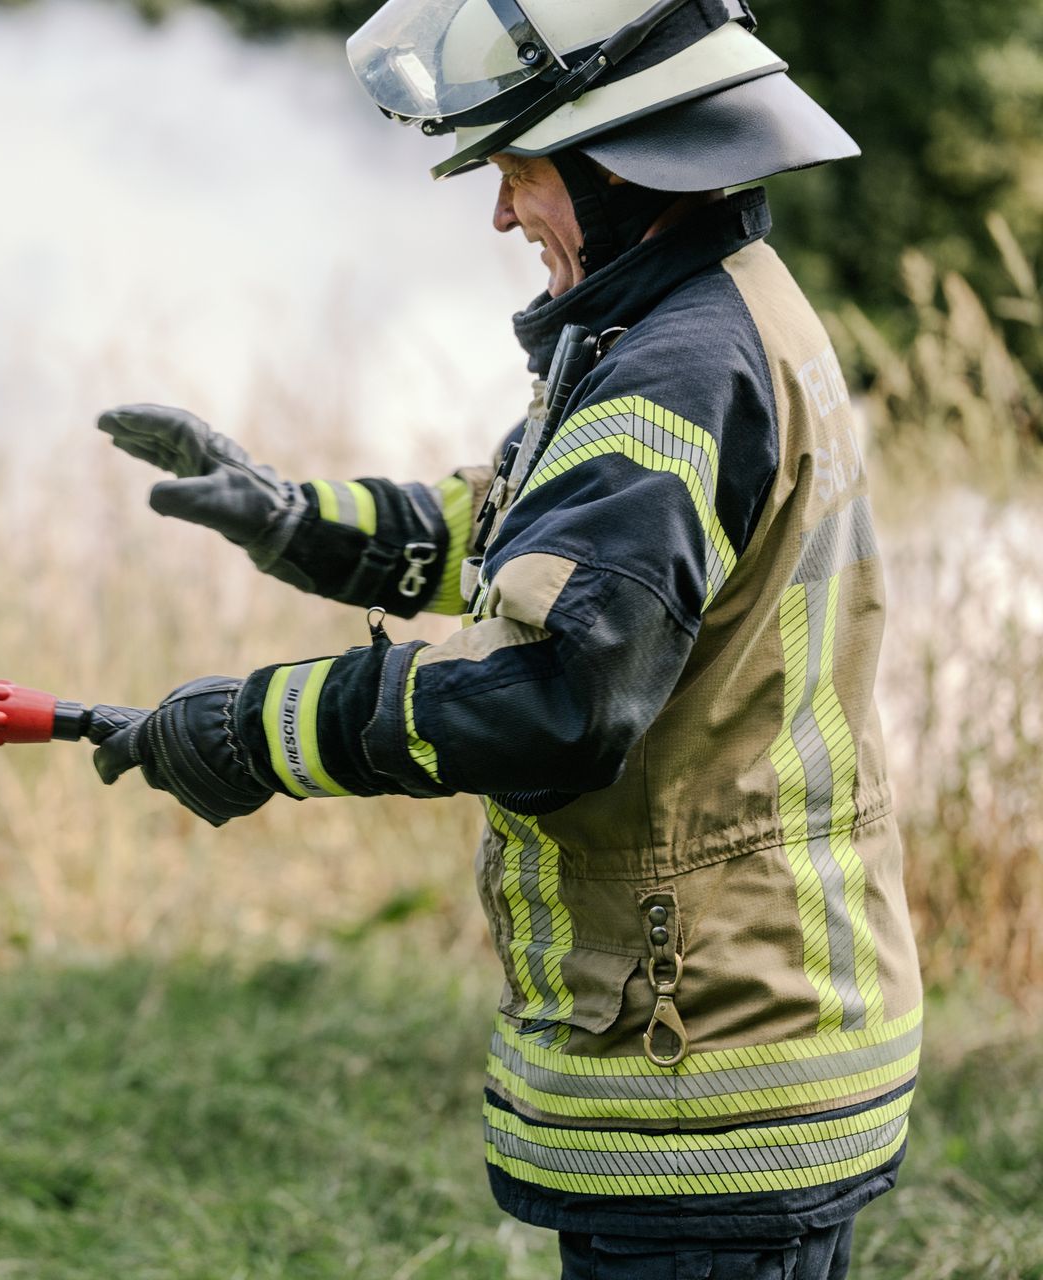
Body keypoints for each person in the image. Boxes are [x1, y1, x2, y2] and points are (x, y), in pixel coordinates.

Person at [93, 1, 917, 1275]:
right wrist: (298, 520)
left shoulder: (675, 369)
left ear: (620, 160)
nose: (502, 212)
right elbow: (547, 538)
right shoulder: (713, 310)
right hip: (760, 1037)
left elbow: (553, 694)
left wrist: (258, 731)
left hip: (704, 1071)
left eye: (521, 170)